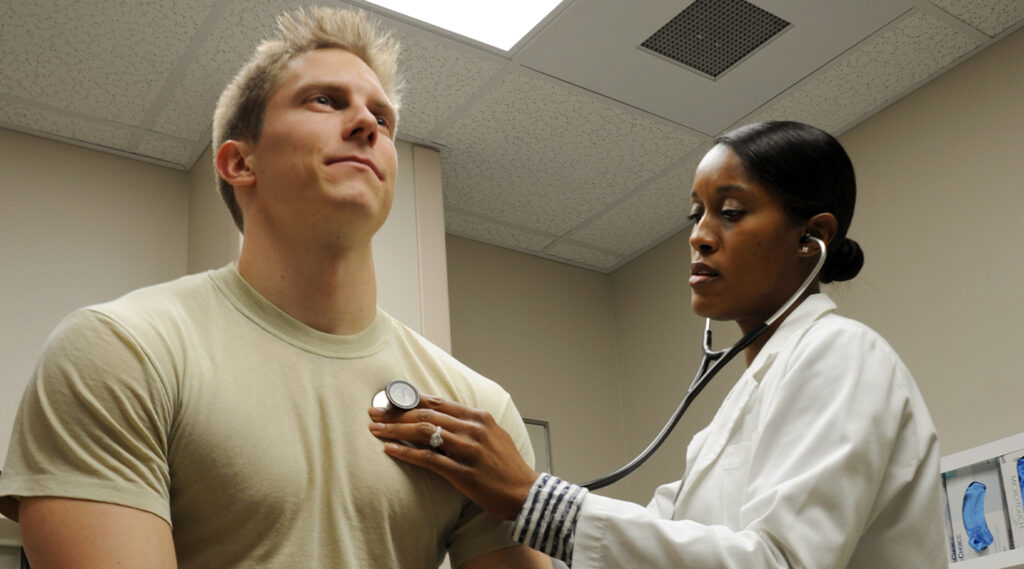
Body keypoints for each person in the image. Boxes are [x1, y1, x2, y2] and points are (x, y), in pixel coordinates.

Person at [0, 7, 550, 569]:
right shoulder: (120, 352)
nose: (366, 124)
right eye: (325, 100)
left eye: (382, 119)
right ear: (240, 162)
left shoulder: (476, 412)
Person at [369, 121, 948, 568]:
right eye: (696, 214)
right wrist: (498, 497)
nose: (699, 236)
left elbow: (780, 562)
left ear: (811, 237)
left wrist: (528, 496)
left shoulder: (843, 354)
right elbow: (648, 552)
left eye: (731, 212)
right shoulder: (733, 417)